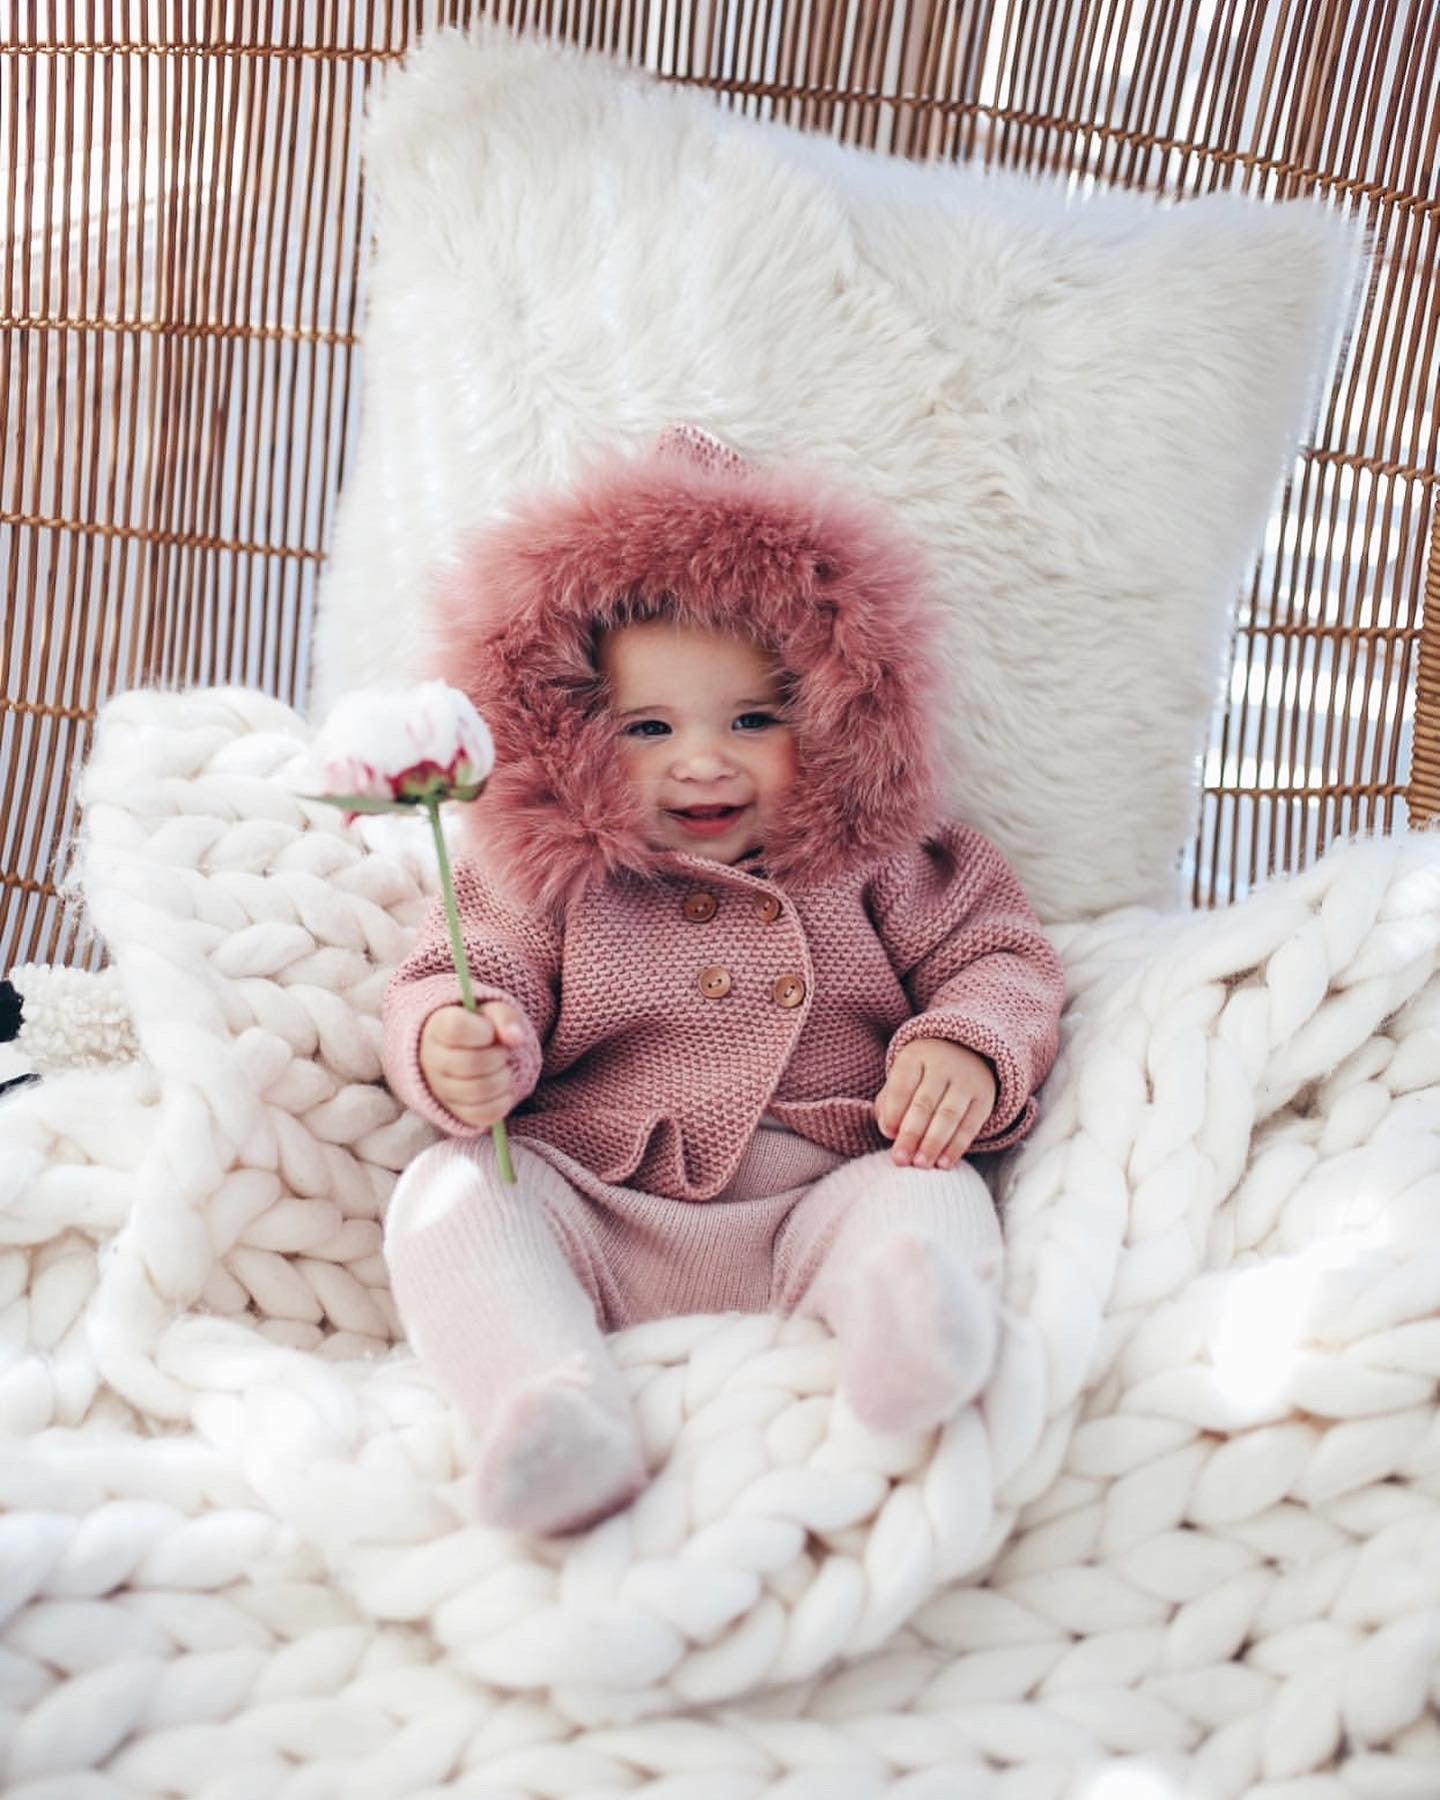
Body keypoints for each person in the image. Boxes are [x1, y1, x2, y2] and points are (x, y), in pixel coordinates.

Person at [380, 425, 1065, 1537]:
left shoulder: (883, 860)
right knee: (454, 1195)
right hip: (596, 1197)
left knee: (931, 1189)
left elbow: (998, 956)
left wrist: (966, 1044)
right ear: (572, 736)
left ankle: (908, 1340)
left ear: (837, 719)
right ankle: (548, 1409)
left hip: (821, 1194)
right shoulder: (543, 873)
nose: (703, 760)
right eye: (649, 728)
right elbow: (457, 971)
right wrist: (455, 1041)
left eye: (753, 720)